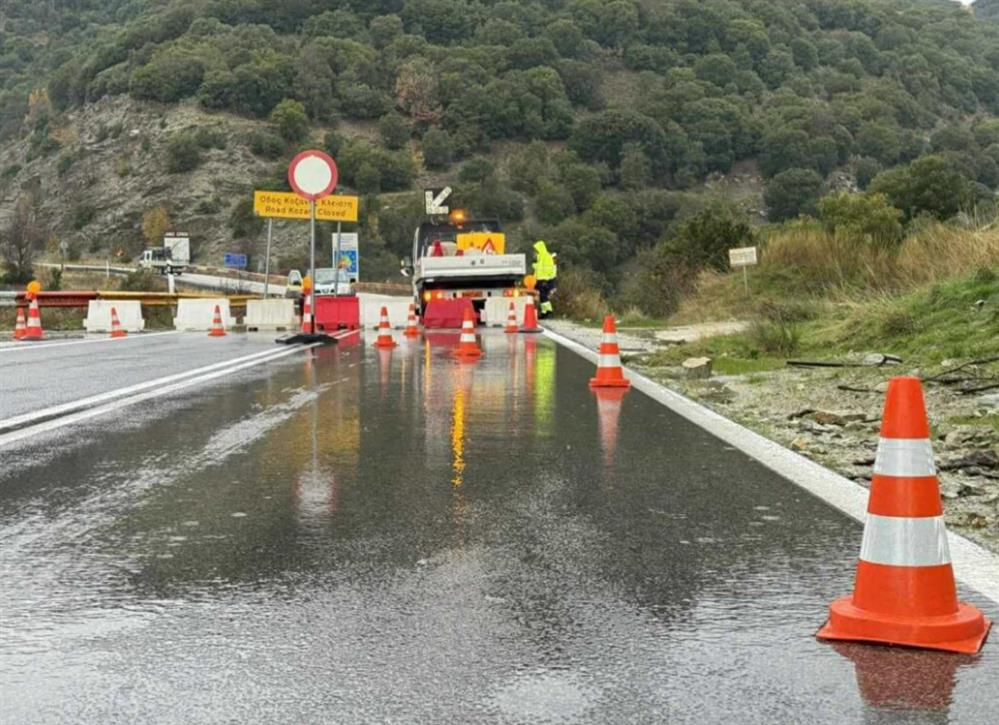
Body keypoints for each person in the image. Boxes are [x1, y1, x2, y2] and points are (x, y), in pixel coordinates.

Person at [532, 240, 557, 319]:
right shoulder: (540, 258)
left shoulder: (546, 257)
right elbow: (539, 269)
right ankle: (544, 312)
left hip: (544, 280)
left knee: (543, 296)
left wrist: (546, 280)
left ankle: (548, 311)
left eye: (536, 251)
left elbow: (549, 270)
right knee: (542, 296)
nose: (535, 252)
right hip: (539, 280)